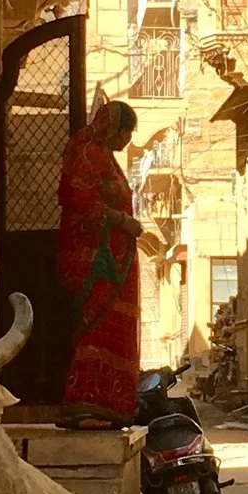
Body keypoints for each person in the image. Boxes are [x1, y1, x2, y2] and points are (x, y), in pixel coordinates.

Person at [56, 95, 144, 421]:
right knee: (93, 328)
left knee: (112, 330)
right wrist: (123, 222)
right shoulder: (88, 155)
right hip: (92, 261)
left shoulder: (107, 159)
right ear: (114, 129)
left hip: (116, 261)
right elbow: (76, 200)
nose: (128, 140)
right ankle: (84, 402)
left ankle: (109, 404)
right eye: (127, 133)